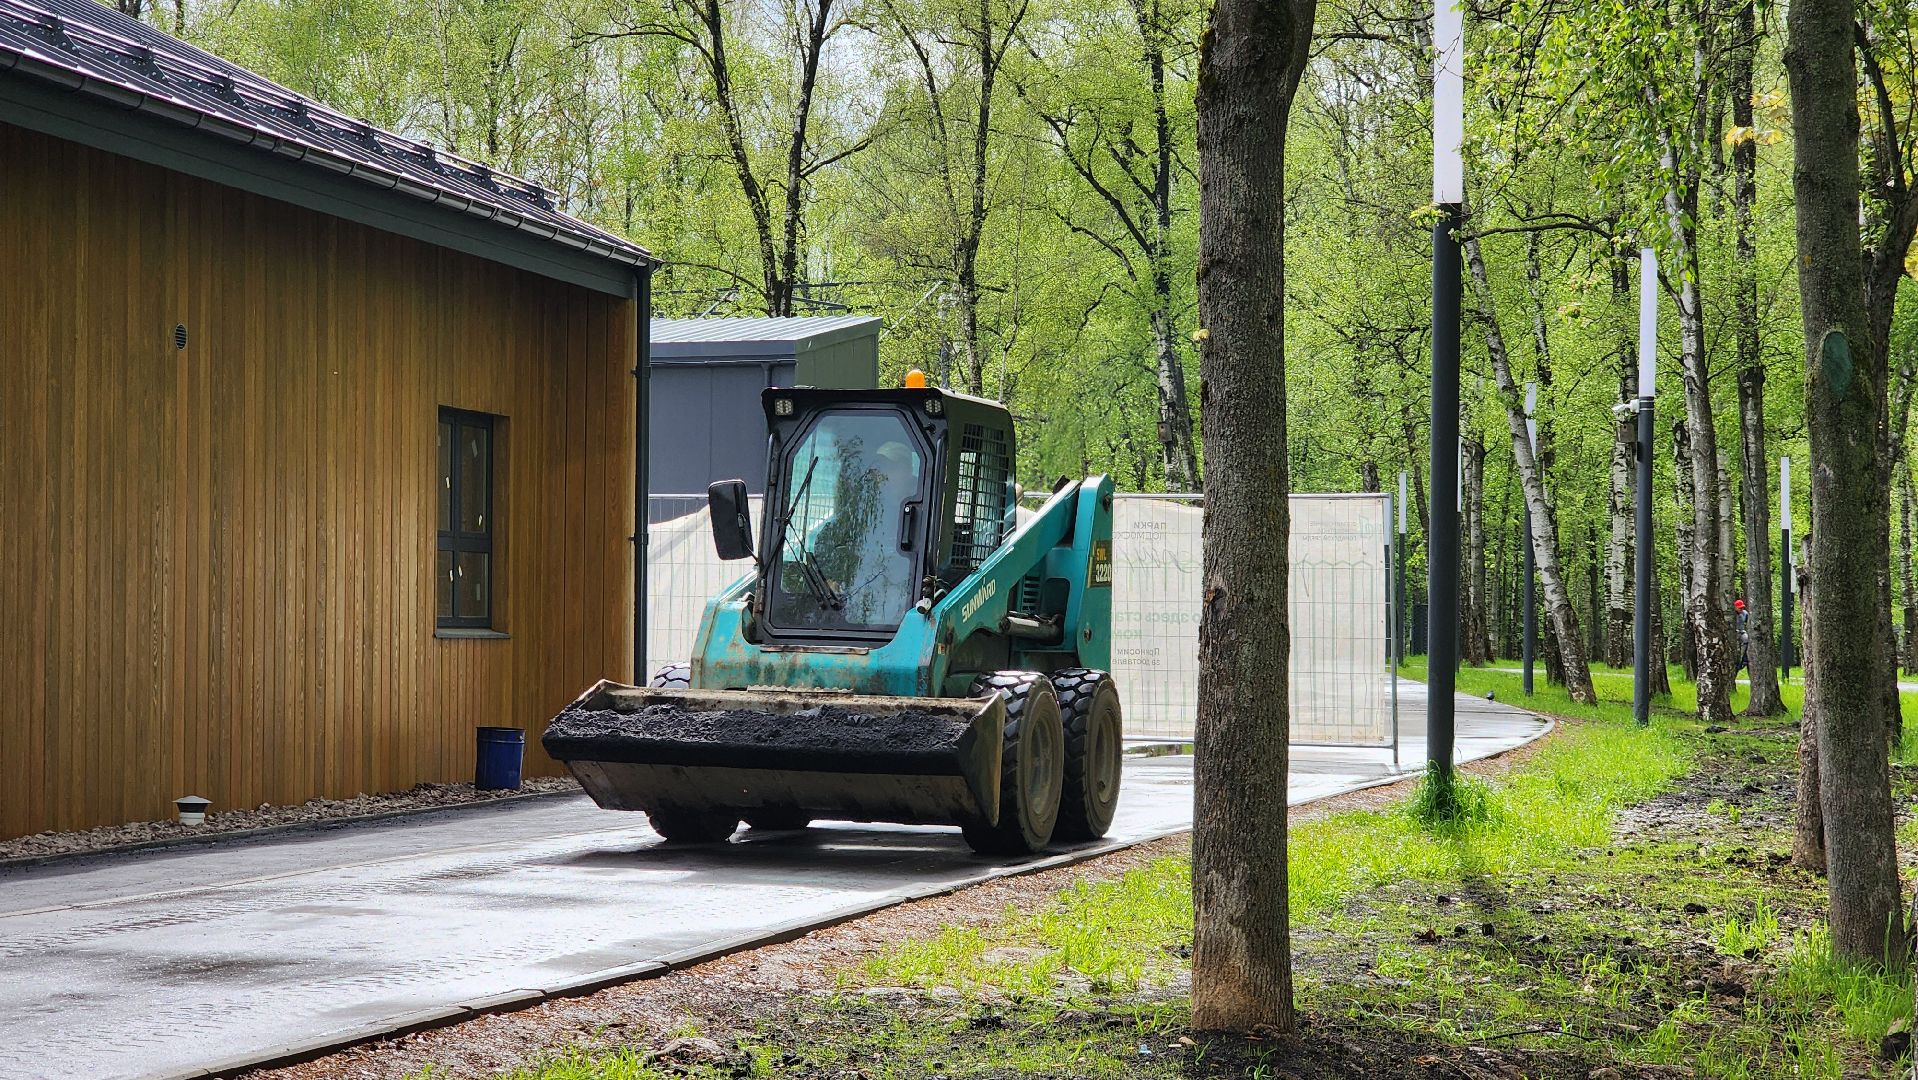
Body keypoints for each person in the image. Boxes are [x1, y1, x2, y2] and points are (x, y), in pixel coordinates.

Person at [1733, 598, 1749, 677]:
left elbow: (1747, 622)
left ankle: (1745, 658)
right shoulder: (1732, 614)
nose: (1741, 609)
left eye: (1742, 608)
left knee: (1746, 638)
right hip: (1734, 632)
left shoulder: (1745, 613)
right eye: (1740, 608)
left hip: (1742, 631)